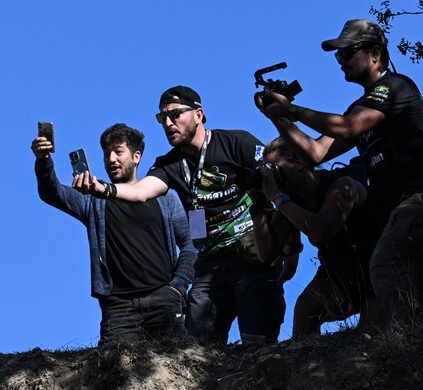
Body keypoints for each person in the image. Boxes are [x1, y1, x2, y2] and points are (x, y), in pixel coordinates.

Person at [257, 19, 423, 329]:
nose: (341, 61)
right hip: (406, 207)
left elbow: (347, 127)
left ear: (375, 54)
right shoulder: (362, 106)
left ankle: (403, 345)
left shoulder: (395, 86)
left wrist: (294, 111)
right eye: (338, 56)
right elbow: (316, 153)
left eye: (347, 53)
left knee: (386, 264)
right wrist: (280, 121)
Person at [78, 87, 288, 344]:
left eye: (175, 115)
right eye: (162, 118)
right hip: (209, 263)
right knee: (198, 352)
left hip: (251, 254)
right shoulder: (168, 164)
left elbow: (275, 176)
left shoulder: (238, 142)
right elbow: (142, 192)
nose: (168, 123)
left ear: (198, 114)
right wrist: (104, 189)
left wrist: (288, 247)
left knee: (259, 343)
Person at [31, 123, 196, 344]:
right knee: (114, 372)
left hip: (164, 299)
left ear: (136, 157)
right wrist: (43, 160)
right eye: (107, 153)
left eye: (118, 152)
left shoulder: (164, 199)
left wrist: (177, 286)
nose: (111, 159)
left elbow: (191, 242)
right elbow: (53, 193)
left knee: (175, 368)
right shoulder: (94, 199)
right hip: (119, 307)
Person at [252, 139, 382, 336]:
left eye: (276, 168)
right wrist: (259, 206)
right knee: (305, 311)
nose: (272, 174)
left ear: (300, 162)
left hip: (378, 274)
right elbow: (267, 255)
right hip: (336, 274)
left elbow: (322, 230)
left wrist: (278, 198)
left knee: (372, 341)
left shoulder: (342, 186)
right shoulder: (291, 201)